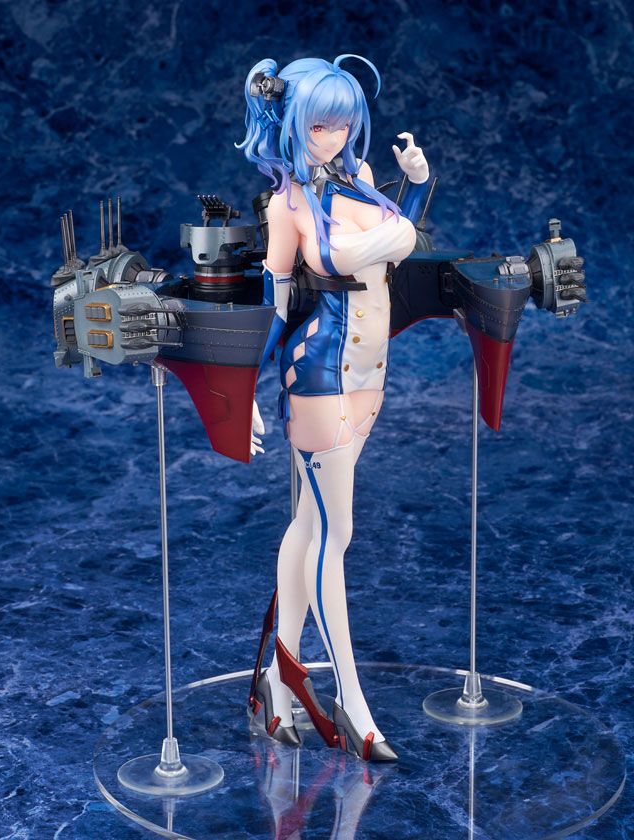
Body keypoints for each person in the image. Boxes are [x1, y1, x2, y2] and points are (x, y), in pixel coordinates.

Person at [238, 55, 429, 761]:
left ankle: (276, 680)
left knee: (311, 523)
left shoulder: (362, 178)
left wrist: (418, 185)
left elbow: (399, 250)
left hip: (372, 370)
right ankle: (350, 696)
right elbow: (275, 302)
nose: (333, 136)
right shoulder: (286, 204)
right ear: (292, 122)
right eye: (319, 125)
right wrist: (245, 389)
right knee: (336, 533)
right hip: (318, 372)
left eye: (343, 123)